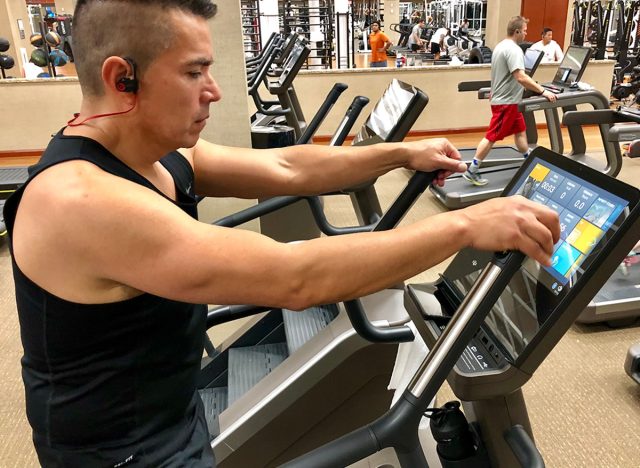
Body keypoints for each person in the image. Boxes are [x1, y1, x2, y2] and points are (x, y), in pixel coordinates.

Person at [3, 2, 560, 466]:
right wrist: (465, 225)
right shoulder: (79, 201)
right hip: (123, 454)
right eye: (194, 72)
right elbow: (296, 277)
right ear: (121, 78)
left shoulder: (158, 156)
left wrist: (399, 153)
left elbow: (287, 169)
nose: (214, 91)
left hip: (171, 407)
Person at [464, 16, 558, 186]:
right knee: (492, 136)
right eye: (525, 31)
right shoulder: (514, 50)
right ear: (517, 31)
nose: (526, 34)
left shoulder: (501, 46)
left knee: (521, 131)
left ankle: (529, 162)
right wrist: (543, 91)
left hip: (509, 101)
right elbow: (520, 76)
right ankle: (472, 170)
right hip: (505, 102)